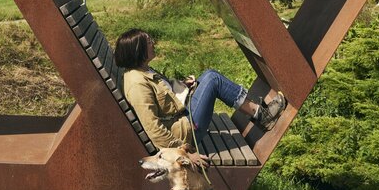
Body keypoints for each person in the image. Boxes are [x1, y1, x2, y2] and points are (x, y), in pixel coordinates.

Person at [114, 28, 286, 165]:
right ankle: (262, 115)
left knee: (207, 75)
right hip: (187, 133)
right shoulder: (137, 84)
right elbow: (153, 128)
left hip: (182, 114)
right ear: (138, 50)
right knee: (213, 79)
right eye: (148, 41)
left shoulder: (144, 69)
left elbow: (163, 94)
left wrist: (183, 85)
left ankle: (257, 111)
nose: (153, 43)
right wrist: (184, 152)